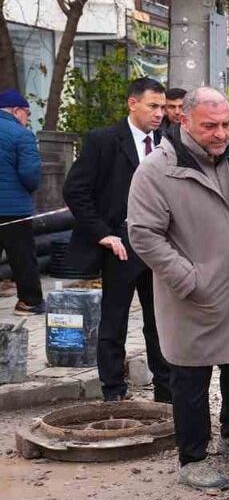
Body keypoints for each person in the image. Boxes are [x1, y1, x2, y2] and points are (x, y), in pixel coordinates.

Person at [128, 86, 229, 492]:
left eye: (226, 124)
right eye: (210, 125)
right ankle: (192, 457)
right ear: (185, 121)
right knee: (190, 378)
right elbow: (144, 235)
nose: (220, 133)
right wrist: (186, 278)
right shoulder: (157, 171)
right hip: (194, 294)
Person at [64, 77, 174, 402]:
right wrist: (103, 235)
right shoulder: (104, 141)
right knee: (114, 324)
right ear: (132, 103)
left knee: (160, 325)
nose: (158, 113)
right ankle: (114, 393)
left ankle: (166, 394)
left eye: (162, 107)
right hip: (121, 247)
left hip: (158, 247)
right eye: (153, 106)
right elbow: (75, 190)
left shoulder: (167, 143)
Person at [0, 89, 43, 316]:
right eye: (26, 113)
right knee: (22, 257)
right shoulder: (21, 135)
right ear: (16, 111)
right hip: (13, 209)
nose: (27, 119)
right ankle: (29, 302)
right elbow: (30, 175)